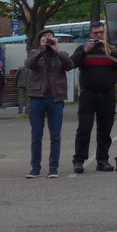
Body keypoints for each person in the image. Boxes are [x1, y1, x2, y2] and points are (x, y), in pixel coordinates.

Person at [70, 23, 117, 173]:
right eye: (96, 33)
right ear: (90, 35)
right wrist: (86, 50)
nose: (99, 36)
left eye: (101, 33)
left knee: (105, 128)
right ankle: (79, 160)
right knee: (84, 128)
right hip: (88, 94)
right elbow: (72, 63)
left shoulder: (111, 48)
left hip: (107, 94)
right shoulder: (83, 48)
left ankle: (102, 160)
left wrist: (107, 50)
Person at [23, 29, 73, 178]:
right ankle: (35, 167)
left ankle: (53, 168)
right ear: (40, 40)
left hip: (55, 98)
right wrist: (41, 50)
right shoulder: (34, 53)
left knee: (55, 135)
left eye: (50, 37)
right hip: (37, 97)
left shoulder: (61, 54)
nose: (48, 39)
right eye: (45, 38)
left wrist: (57, 51)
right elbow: (29, 65)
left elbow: (70, 66)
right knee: (36, 135)